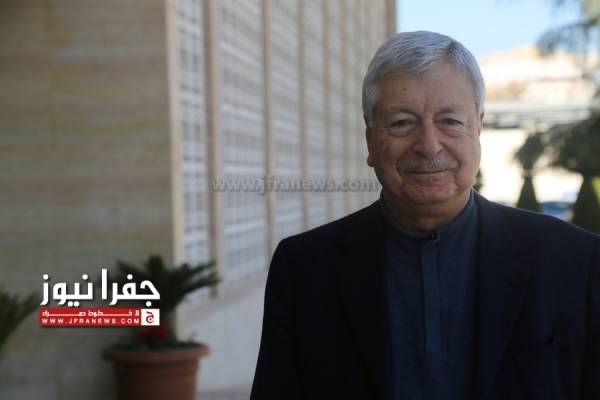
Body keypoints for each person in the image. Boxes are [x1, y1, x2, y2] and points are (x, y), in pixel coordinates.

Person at [250, 31, 600, 400]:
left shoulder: (576, 263)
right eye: (402, 123)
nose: (429, 145)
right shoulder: (304, 270)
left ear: (478, 127)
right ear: (370, 139)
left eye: (450, 121)